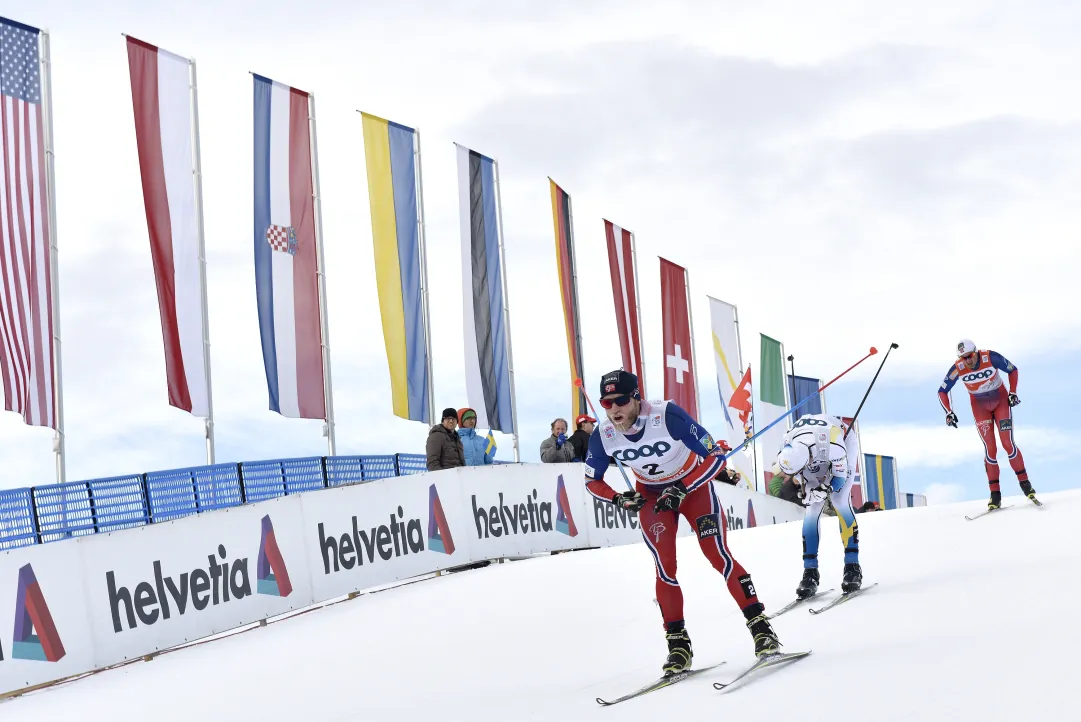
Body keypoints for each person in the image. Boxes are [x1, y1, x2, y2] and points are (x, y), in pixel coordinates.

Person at [583, 370, 781, 676]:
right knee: (665, 567)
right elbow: (590, 481)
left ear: (636, 396)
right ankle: (678, 646)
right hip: (651, 495)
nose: (613, 409)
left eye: (620, 400)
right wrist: (618, 498)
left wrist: (683, 486)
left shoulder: (667, 416)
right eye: (606, 403)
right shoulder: (603, 434)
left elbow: (716, 456)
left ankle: (761, 629)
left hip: (692, 489)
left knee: (718, 555)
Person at [938, 339, 1037, 510]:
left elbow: (1012, 370)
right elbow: (942, 391)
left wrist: (1013, 392)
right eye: (963, 358)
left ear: (976, 352)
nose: (967, 360)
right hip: (979, 407)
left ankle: (1025, 484)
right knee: (990, 449)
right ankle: (995, 495)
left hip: (1000, 402)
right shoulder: (958, 367)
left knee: (1007, 443)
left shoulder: (990, 357)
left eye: (969, 356)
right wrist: (948, 412)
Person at [775, 413, 862, 599]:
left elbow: (839, 477)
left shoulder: (834, 445)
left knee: (840, 501)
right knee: (812, 508)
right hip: (811, 449)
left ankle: (852, 566)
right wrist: (809, 493)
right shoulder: (786, 448)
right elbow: (802, 480)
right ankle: (810, 572)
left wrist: (826, 488)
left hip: (843, 441)